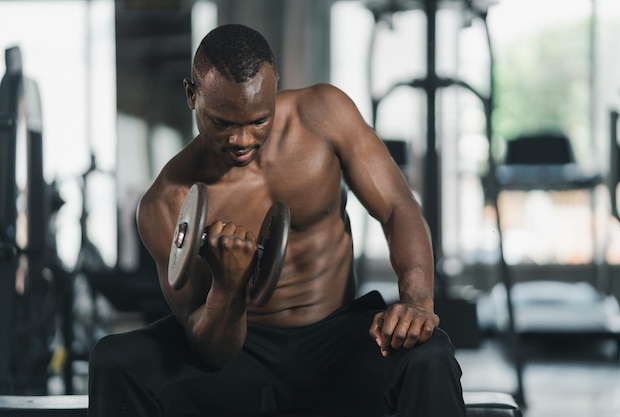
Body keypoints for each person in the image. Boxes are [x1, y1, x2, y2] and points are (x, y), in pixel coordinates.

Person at [88, 23, 466, 417]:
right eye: (223, 123)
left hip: (338, 339)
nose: (242, 140)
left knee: (430, 352)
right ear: (191, 94)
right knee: (115, 360)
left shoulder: (323, 114)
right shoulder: (166, 203)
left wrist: (418, 303)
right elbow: (209, 348)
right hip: (239, 353)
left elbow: (398, 207)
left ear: (274, 89)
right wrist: (229, 287)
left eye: (258, 121)